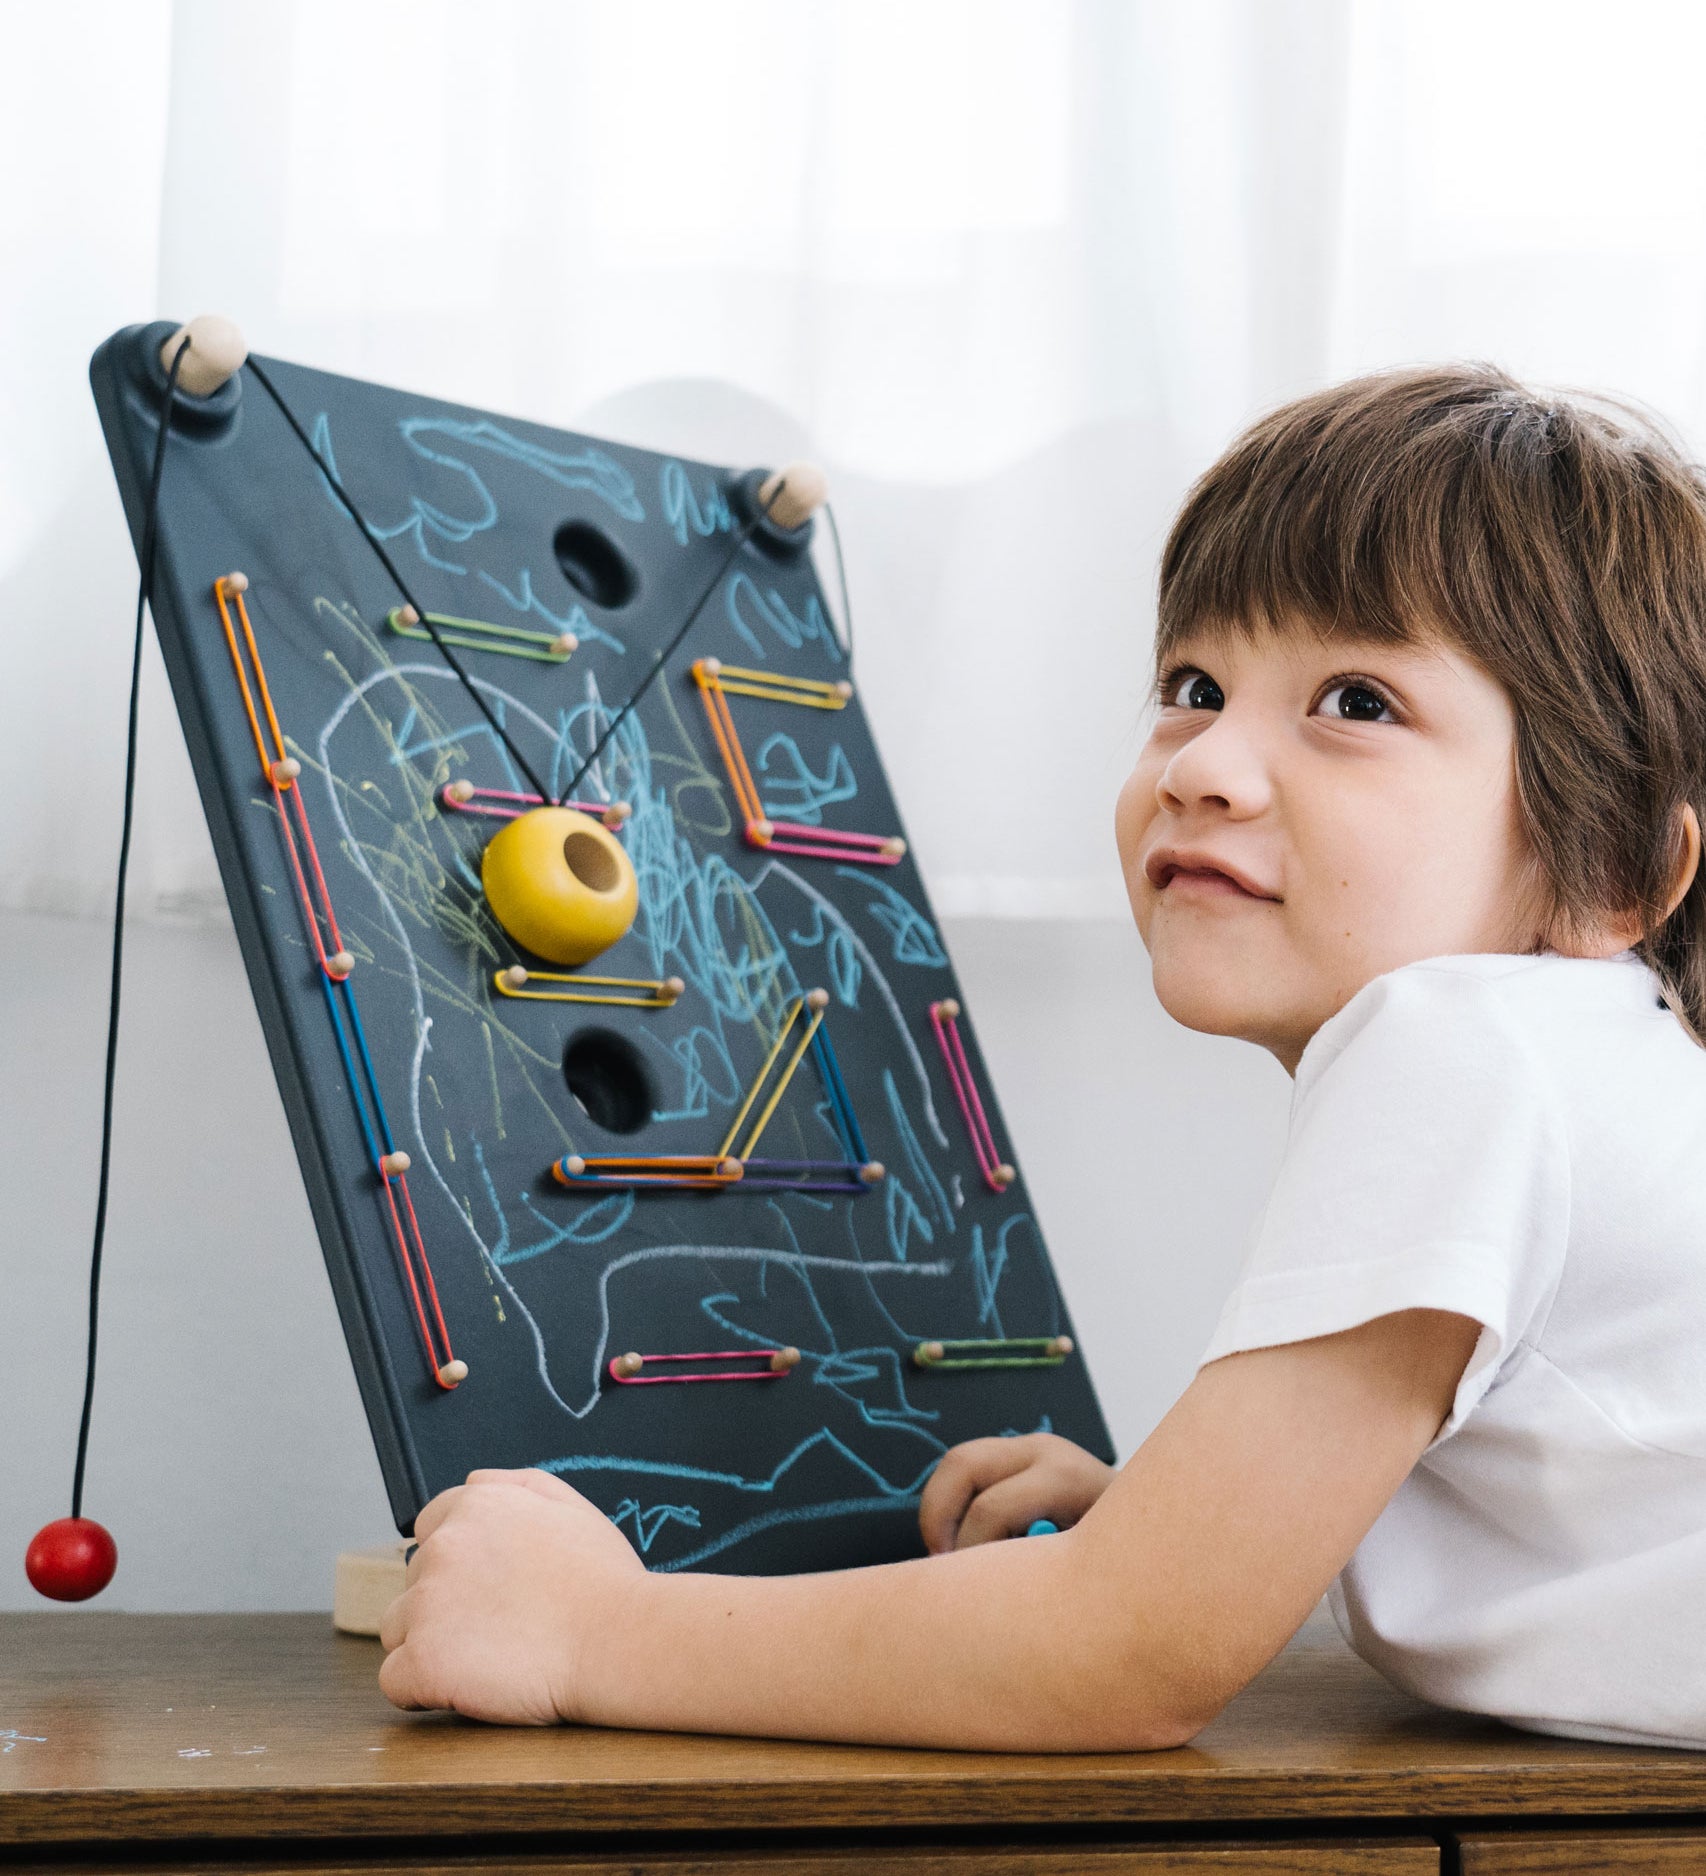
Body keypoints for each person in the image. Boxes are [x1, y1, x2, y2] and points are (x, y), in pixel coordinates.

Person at [378, 365, 1706, 1751]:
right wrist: (1158, 1528)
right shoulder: (1576, 1069)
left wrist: (590, 1628)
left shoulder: (1463, 1047)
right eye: (1192, 685)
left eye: (1355, 702)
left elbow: (1126, 1655)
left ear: (1610, 863)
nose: (1205, 764)